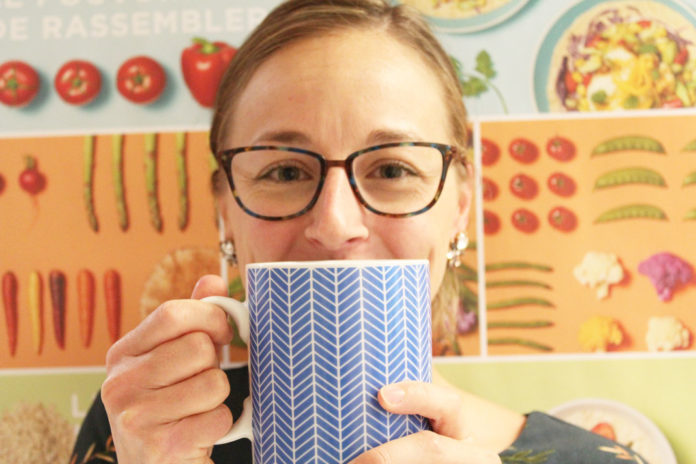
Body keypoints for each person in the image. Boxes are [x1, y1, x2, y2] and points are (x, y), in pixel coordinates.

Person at [71, 1, 647, 463]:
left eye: (393, 169)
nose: (336, 225)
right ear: (225, 212)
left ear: (460, 210)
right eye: (285, 171)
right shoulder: (146, 425)